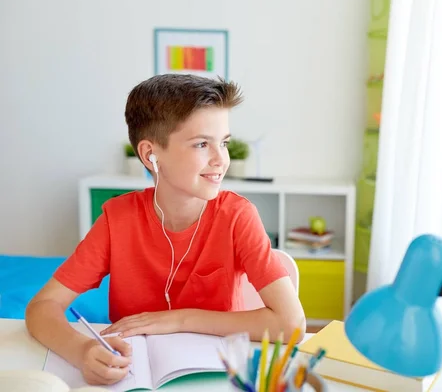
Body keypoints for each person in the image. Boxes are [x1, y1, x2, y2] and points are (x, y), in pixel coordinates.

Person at [25, 74, 306, 386]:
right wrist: (83, 350)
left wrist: (177, 319)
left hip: (217, 376)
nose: (220, 159)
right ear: (150, 155)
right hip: (133, 376)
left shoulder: (237, 217)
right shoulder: (117, 219)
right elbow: (42, 307)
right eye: (202, 144)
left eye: (223, 143)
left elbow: (291, 325)